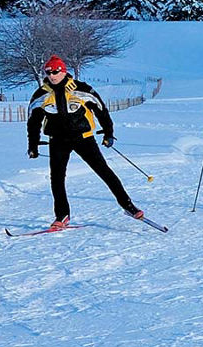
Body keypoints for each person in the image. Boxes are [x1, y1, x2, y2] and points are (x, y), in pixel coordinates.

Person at [27, 54, 141, 229]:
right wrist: (33, 145)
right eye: (48, 72)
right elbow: (33, 122)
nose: (52, 75)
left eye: (56, 71)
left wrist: (108, 133)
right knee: (56, 179)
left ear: (63, 71)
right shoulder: (41, 95)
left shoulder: (81, 89)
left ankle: (128, 206)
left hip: (84, 139)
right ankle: (62, 215)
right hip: (57, 141)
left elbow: (101, 110)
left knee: (104, 171)